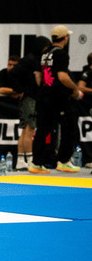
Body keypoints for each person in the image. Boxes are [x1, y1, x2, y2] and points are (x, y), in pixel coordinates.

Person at [31, 26, 82, 174]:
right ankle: (64, 161)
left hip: (43, 96)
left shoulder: (44, 53)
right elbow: (63, 77)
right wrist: (75, 89)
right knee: (70, 127)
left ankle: (36, 163)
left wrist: (44, 88)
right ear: (65, 38)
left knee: (43, 129)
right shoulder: (61, 54)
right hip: (58, 98)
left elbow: (38, 76)